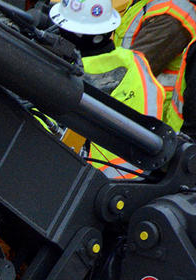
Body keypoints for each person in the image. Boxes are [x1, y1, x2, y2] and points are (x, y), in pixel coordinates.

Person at [52, 0, 167, 177]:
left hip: (94, 185)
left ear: (69, 33)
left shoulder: (69, 78)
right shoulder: (138, 63)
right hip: (144, 178)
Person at [116, 0, 196, 128]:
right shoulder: (151, 3)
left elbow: (127, 75)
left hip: (139, 120)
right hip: (129, 112)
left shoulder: (172, 16)